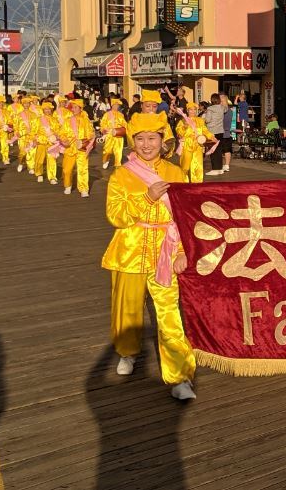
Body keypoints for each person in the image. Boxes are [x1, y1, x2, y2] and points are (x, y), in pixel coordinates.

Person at [102, 110, 197, 400]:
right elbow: (115, 216)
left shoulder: (176, 173)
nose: (146, 145)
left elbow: (185, 216)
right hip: (129, 249)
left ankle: (179, 376)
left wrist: (182, 251)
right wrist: (147, 198)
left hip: (166, 251)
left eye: (152, 138)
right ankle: (127, 353)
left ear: (162, 140)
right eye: (140, 139)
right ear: (133, 142)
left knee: (169, 314)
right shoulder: (121, 175)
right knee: (127, 309)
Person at [56, 96, 95, 197]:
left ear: (81, 108)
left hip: (82, 147)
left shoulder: (86, 121)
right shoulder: (67, 120)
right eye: (72, 107)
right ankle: (68, 185)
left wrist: (87, 141)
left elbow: (91, 134)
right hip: (70, 148)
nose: (73, 109)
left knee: (83, 169)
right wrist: (64, 141)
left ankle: (83, 189)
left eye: (76, 107)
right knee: (67, 169)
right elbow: (61, 133)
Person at [174, 101, 216, 183]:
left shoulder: (200, 120)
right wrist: (185, 126)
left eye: (194, 110)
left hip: (198, 145)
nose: (192, 111)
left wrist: (211, 136)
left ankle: (197, 184)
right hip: (187, 144)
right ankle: (183, 182)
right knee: (185, 166)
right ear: (187, 110)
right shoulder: (182, 121)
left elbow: (205, 130)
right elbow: (179, 132)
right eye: (191, 109)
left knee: (198, 165)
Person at [99, 98, 128, 170]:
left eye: (118, 105)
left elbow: (124, 124)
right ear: (112, 105)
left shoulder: (121, 115)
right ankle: (106, 160)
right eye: (115, 105)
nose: (117, 106)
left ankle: (118, 165)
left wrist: (124, 129)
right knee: (107, 151)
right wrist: (104, 129)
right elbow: (102, 124)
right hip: (109, 135)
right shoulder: (107, 114)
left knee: (118, 151)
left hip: (118, 135)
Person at [203, 93, 226, 175]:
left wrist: (204, 117)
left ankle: (215, 169)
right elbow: (226, 108)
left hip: (212, 131)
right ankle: (219, 168)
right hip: (220, 131)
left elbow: (208, 120)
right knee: (219, 150)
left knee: (213, 150)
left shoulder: (210, 108)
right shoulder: (222, 108)